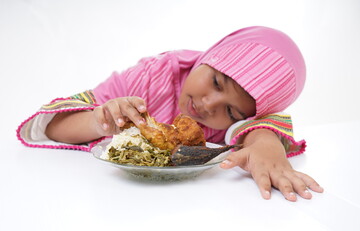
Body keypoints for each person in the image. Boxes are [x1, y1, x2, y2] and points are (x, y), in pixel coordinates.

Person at [17, 26, 323, 202]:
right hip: (108, 199)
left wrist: (266, 145)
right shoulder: (151, 77)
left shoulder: (240, 125)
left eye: (230, 110)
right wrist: (99, 119)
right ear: (209, 56)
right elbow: (55, 126)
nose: (209, 104)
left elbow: (262, 128)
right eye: (216, 81)